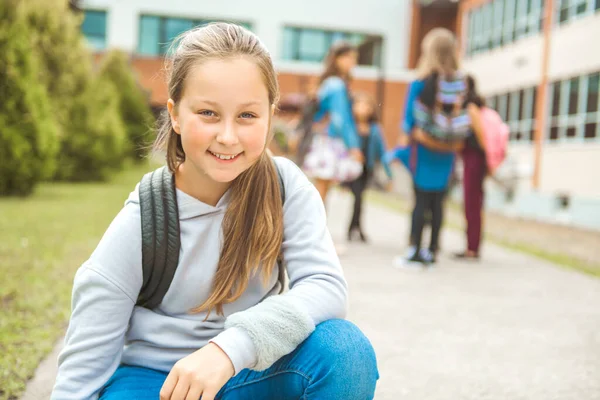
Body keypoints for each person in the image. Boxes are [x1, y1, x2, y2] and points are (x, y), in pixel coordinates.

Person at [51, 23, 378, 400]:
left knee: (345, 351)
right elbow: (81, 375)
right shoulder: (144, 220)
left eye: (247, 116)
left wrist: (229, 349)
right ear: (174, 114)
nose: (227, 136)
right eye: (208, 113)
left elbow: (326, 287)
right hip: (158, 382)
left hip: (251, 372)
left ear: (271, 116)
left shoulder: (285, 187)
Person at [387, 28, 464, 266]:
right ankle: (433, 249)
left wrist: (407, 139)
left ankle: (415, 248)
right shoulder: (459, 83)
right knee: (438, 202)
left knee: (420, 201)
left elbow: (407, 122)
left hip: (423, 153)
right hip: (448, 152)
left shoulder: (419, 83)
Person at [302, 42, 364, 204]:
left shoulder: (329, 82)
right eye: (348, 57)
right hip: (329, 141)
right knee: (321, 190)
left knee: (321, 189)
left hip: (323, 140)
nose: (353, 62)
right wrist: (353, 146)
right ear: (336, 59)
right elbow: (341, 118)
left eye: (354, 58)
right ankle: (313, 227)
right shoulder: (336, 84)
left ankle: (315, 226)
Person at [346, 92, 393, 243]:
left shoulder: (374, 130)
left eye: (366, 106)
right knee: (358, 198)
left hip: (367, 170)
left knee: (359, 199)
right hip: (351, 169)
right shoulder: (350, 127)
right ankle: (355, 229)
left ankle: (355, 228)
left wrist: (389, 175)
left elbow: (383, 152)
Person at [454, 75, 488, 260]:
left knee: (472, 204)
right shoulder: (465, 108)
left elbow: (481, 136)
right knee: (469, 204)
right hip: (469, 159)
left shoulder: (471, 108)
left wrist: (487, 161)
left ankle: (472, 248)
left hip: (475, 159)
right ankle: (470, 245)